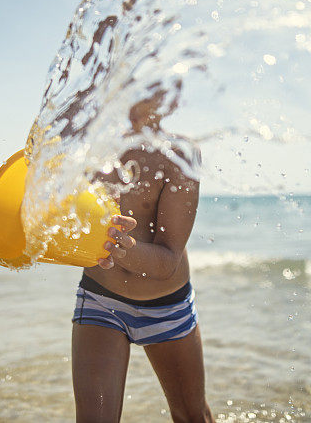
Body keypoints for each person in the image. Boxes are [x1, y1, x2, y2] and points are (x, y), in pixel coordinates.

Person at [71, 91, 213, 423]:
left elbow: (167, 262)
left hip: (166, 305)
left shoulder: (179, 156)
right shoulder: (96, 152)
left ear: (171, 101)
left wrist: (119, 246)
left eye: (151, 88)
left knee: (192, 416)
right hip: (100, 300)